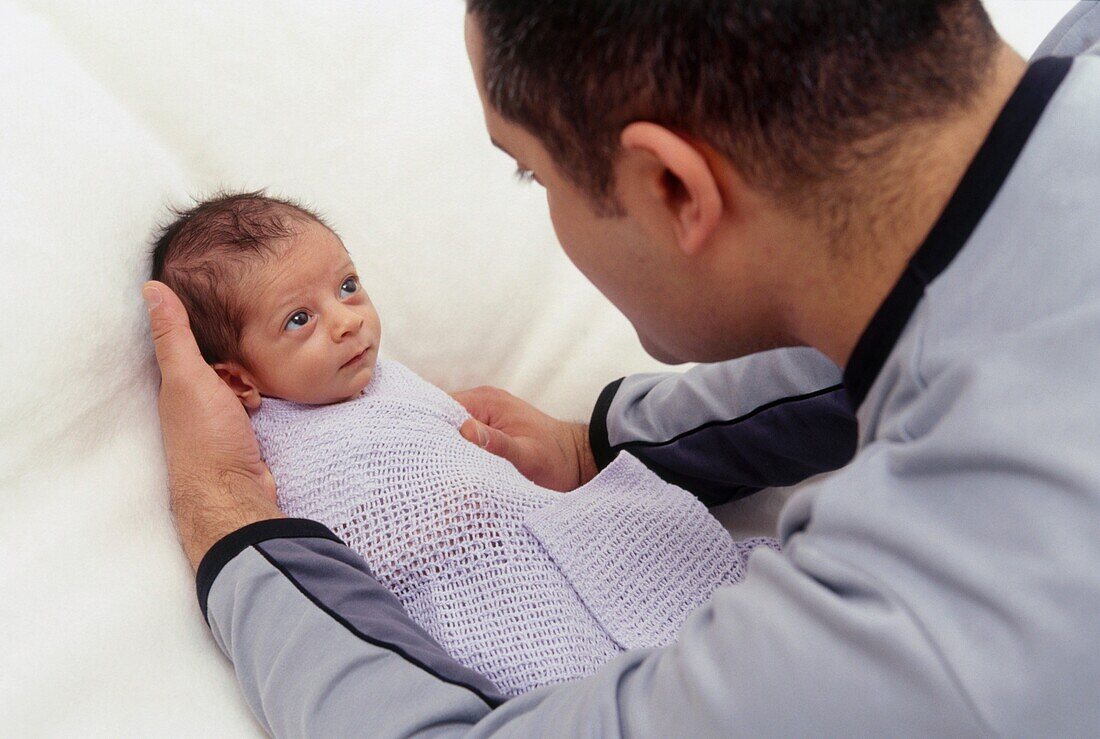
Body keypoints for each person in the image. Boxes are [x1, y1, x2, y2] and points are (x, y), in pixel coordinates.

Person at [144, 0, 1100, 734]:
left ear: (670, 186)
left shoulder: (936, 603)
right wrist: (605, 437)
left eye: (534, 173)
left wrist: (232, 520)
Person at [149, 191, 778, 696]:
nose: (348, 321)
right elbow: (337, 556)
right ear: (238, 378)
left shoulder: (386, 378)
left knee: (718, 596)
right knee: (586, 684)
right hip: (479, 598)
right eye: (299, 320)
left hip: (550, 527)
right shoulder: (278, 448)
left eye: (346, 286)